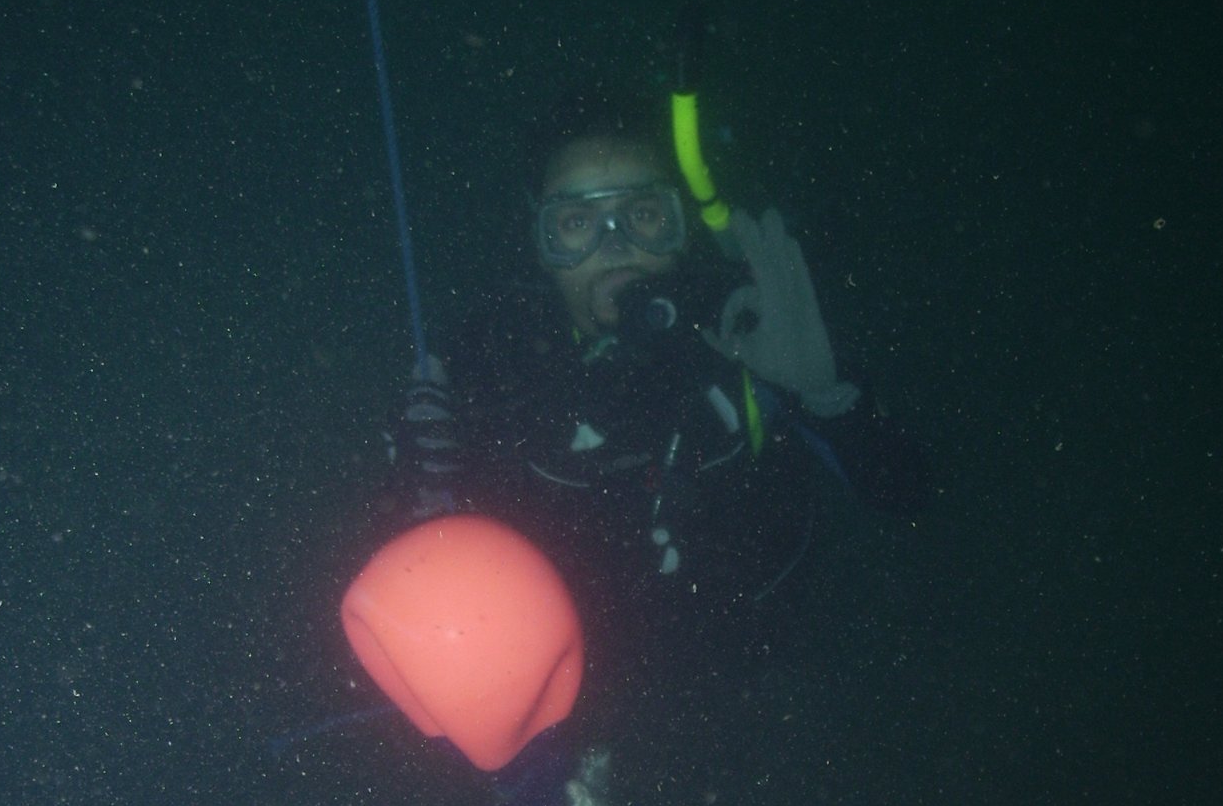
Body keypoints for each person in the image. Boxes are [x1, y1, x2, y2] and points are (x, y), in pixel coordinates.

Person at [380, 108, 917, 768]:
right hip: (569, 719)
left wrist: (827, 397)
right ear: (541, 248)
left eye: (643, 215)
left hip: (757, 691)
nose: (613, 245)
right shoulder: (493, 365)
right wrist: (416, 483)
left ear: (679, 228)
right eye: (575, 225)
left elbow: (903, 490)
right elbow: (418, 588)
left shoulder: (751, 330)